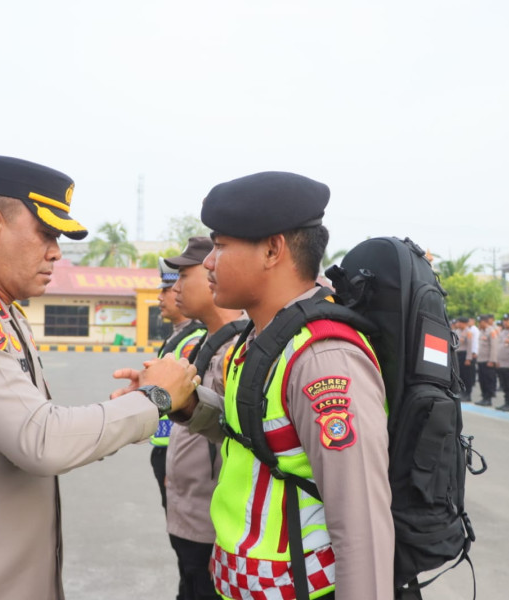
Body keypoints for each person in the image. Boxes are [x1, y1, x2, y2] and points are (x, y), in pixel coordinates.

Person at [0, 154, 198, 600]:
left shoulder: (0, 312)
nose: (56, 251)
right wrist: (155, 401)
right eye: (46, 233)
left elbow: (41, 422)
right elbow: (41, 440)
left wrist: (135, 407)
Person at [159, 172, 394, 600]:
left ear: (272, 249)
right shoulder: (262, 339)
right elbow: (251, 436)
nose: (209, 262)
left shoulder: (323, 360)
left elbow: (361, 525)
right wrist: (188, 404)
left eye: (221, 245)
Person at [163, 237, 245, 600]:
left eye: (183, 277)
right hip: (188, 517)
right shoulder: (205, 342)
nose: (175, 288)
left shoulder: (240, 349)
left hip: (213, 528)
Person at [150, 258, 206, 511]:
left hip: (179, 446)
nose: (161, 297)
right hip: (166, 446)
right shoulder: (178, 336)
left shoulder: (193, 340)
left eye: (167, 289)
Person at [474, 314, 499, 406]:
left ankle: (488, 399)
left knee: (488, 380)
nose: (479, 324)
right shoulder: (482, 331)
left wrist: (492, 360)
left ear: (484, 322)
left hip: (488, 361)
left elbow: (494, 347)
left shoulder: (491, 331)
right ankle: (484, 397)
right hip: (481, 360)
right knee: (482, 380)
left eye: (480, 322)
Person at [456, 317, 475, 401]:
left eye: (460, 322)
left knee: (467, 377)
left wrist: (468, 358)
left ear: (465, 323)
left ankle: (468, 395)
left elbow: (470, 346)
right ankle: (461, 392)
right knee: (460, 376)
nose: (458, 324)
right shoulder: (457, 331)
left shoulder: (468, 332)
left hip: (465, 355)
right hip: (458, 355)